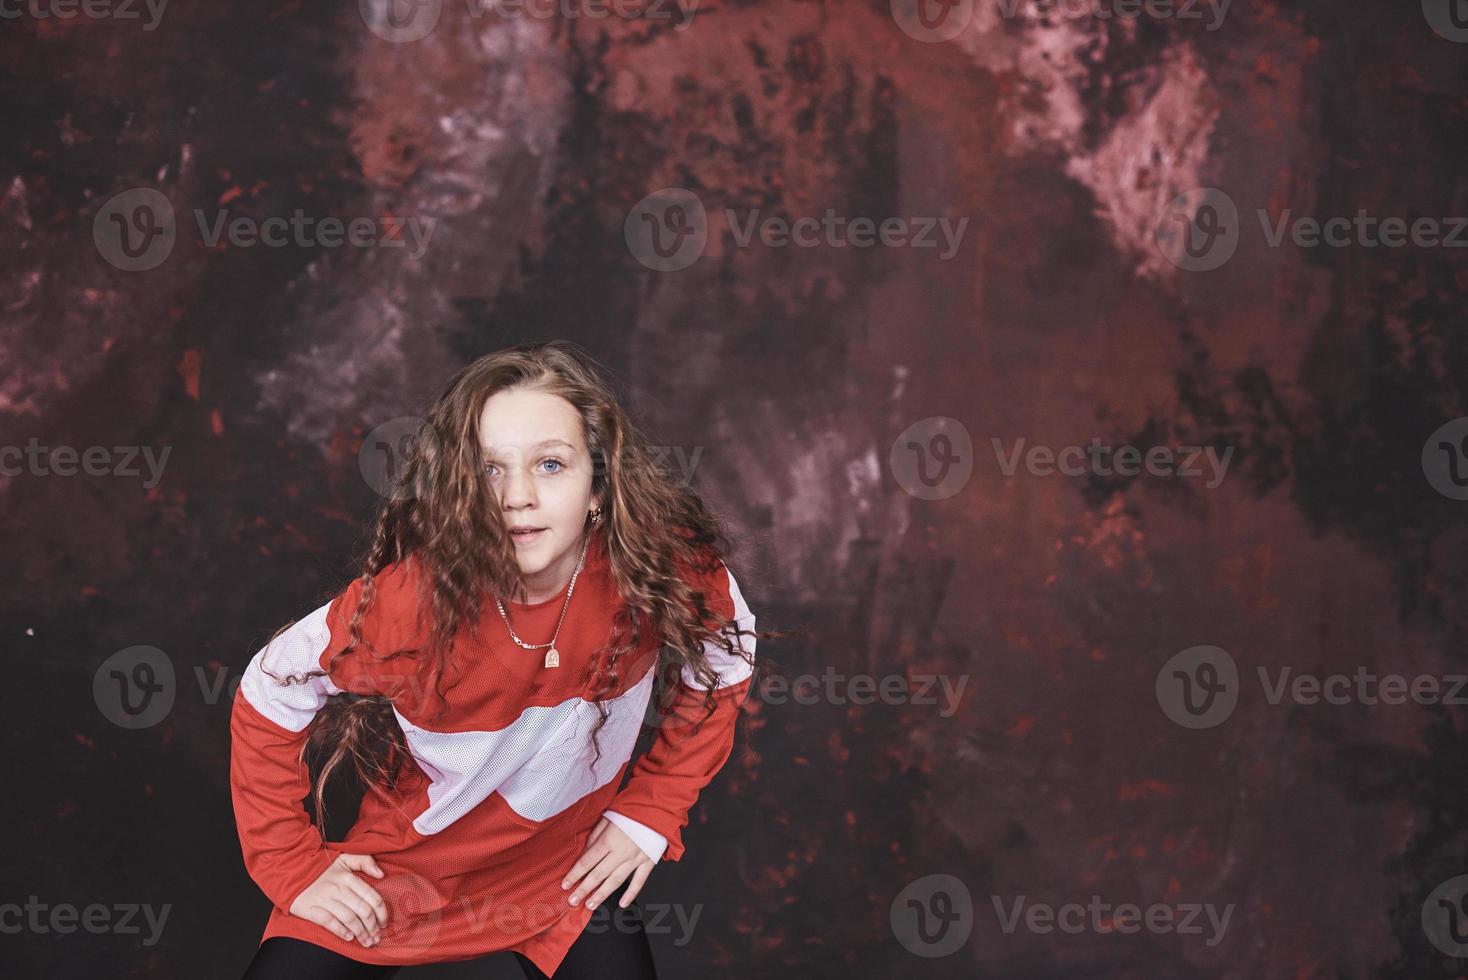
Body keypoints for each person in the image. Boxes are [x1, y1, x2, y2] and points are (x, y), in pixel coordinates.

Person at [230, 341, 772, 978]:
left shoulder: (655, 564)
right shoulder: (408, 604)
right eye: (490, 470)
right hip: (405, 877)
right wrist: (293, 867)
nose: (517, 495)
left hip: (560, 873)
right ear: (460, 492)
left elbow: (728, 649)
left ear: (598, 485)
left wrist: (651, 809)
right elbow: (270, 692)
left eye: (550, 464)